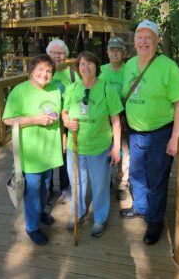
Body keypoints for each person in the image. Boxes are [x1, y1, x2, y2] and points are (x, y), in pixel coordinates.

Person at [120, 20, 179, 245]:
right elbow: (124, 94)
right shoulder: (129, 64)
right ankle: (140, 208)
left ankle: (155, 221)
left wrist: (175, 137)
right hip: (135, 132)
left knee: (157, 180)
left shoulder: (168, 67)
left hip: (160, 134)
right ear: (134, 42)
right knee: (137, 174)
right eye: (139, 37)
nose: (143, 42)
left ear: (156, 41)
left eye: (148, 38)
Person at [2, 54, 63, 246]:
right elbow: (8, 119)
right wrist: (35, 120)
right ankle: (32, 227)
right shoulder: (20, 91)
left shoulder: (54, 90)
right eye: (40, 70)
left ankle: (41, 213)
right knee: (33, 190)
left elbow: (60, 117)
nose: (44, 74)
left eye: (48, 71)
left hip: (49, 150)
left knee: (46, 187)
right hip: (31, 153)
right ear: (31, 71)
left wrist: (62, 139)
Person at [62, 51, 123, 237]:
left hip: (99, 147)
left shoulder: (107, 90)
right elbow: (64, 112)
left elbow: (116, 120)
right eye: (81, 64)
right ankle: (78, 213)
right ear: (77, 68)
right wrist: (66, 122)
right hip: (76, 147)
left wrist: (116, 147)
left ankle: (100, 218)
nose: (85, 67)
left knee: (100, 184)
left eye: (89, 64)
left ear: (96, 67)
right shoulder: (72, 89)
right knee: (77, 183)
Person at [46, 39, 79, 202]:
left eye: (61, 53)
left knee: (65, 154)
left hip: (66, 119)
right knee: (48, 154)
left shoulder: (72, 72)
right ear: (48, 54)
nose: (57, 56)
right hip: (48, 121)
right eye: (54, 53)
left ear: (66, 55)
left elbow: (80, 93)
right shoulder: (44, 71)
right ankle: (49, 187)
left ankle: (65, 186)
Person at [99, 37, 130, 200]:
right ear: (107, 52)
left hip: (124, 115)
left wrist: (125, 114)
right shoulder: (101, 70)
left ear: (124, 53)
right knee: (104, 148)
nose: (115, 53)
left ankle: (121, 183)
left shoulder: (130, 69)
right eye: (112, 49)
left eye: (118, 50)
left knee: (124, 149)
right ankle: (105, 181)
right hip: (103, 118)